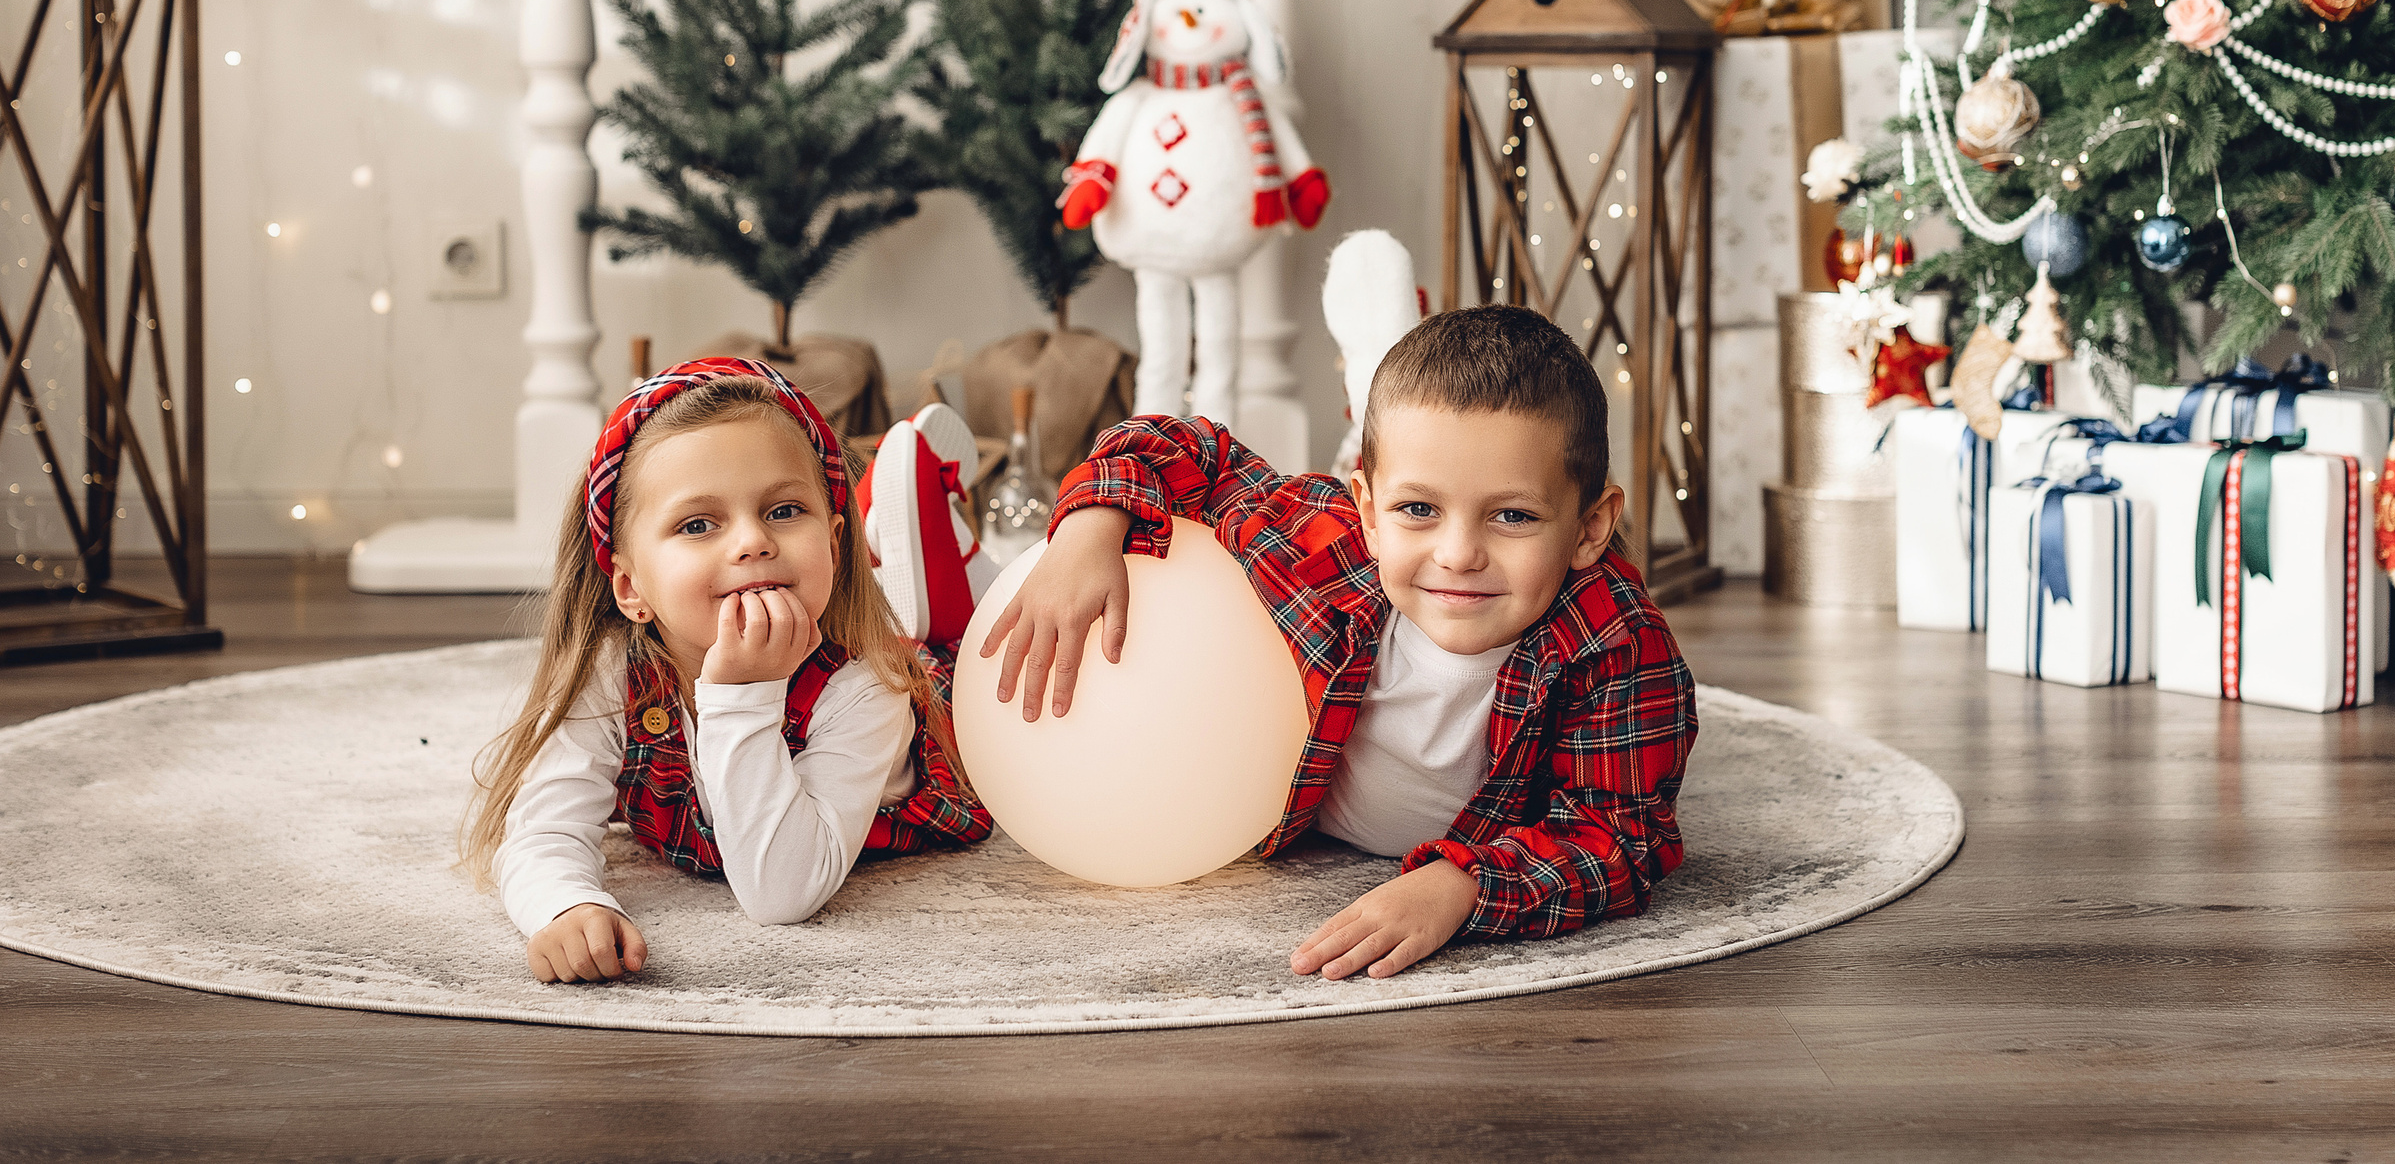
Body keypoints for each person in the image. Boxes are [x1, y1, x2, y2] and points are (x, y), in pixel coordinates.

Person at [981, 304, 1697, 981]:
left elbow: (1621, 835)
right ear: (1369, 512)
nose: (1457, 552)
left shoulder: (1616, 644)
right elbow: (1185, 446)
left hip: (1479, 835)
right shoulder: (1324, 542)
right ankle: (953, 572)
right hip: (1245, 763)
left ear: (1591, 527)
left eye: (1511, 515)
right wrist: (1087, 527)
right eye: (1418, 508)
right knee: (932, 700)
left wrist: (1459, 887)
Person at [460, 358, 989, 983]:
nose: (751, 543)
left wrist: (744, 692)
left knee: (975, 648)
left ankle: (949, 548)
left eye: (785, 511)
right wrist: (566, 904)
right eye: (698, 524)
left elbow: (782, 892)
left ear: (832, 543)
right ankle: (912, 538)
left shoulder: (864, 686)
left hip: (950, 706)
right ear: (631, 588)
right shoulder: (616, 675)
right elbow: (543, 826)